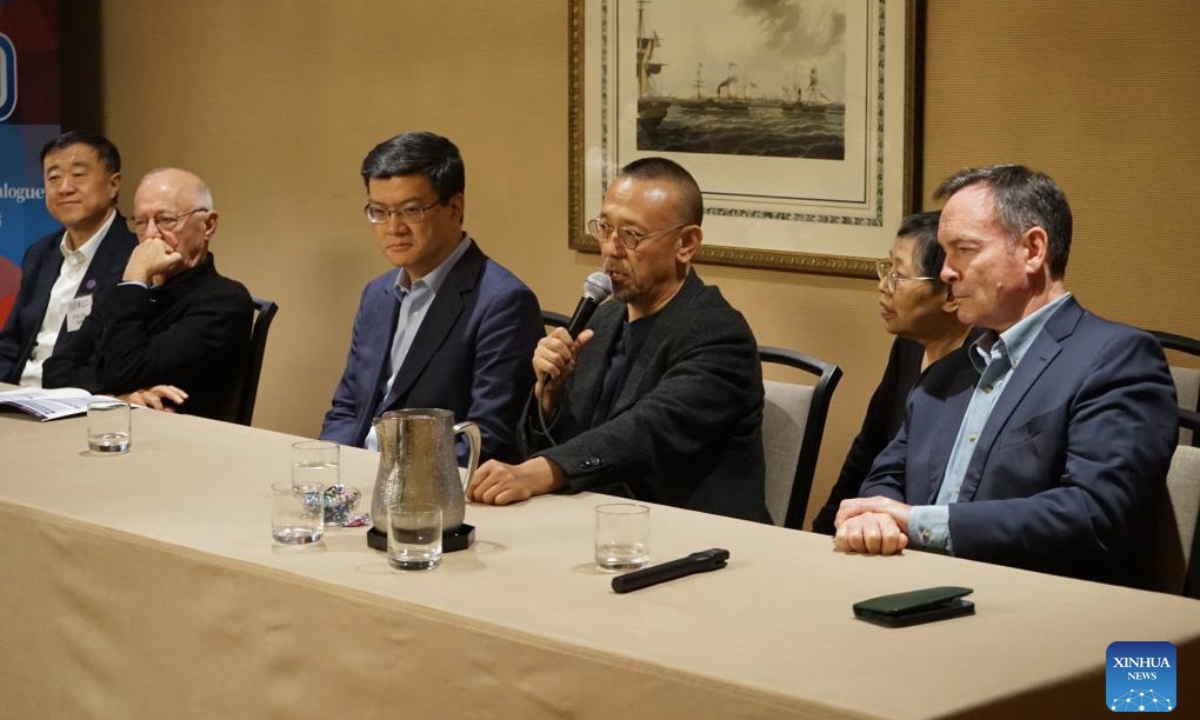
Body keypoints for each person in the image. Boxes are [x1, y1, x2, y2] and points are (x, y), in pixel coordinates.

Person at [834, 164, 1176, 586]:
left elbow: (1097, 513)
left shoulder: (1116, 358)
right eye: (944, 252)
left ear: (1033, 250)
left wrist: (916, 522)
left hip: (1045, 608)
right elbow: (888, 473)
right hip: (911, 587)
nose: (946, 272)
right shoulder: (948, 371)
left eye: (964, 250)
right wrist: (873, 516)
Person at [467, 157, 769, 522]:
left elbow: (646, 432)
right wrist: (549, 397)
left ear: (686, 243)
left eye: (631, 235)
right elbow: (551, 446)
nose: (611, 248)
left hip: (690, 539)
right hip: (591, 523)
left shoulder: (719, 336)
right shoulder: (603, 317)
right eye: (605, 228)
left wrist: (539, 472)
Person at [320, 132, 542, 462]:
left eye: (410, 210)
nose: (393, 228)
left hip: (429, 495)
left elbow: (487, 440)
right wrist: (329, 471)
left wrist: (390, 482)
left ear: (454, 208)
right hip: (358, 484)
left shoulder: (504, 302)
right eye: (379, 211)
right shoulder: (376, 295)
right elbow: (349, 408)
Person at [44, 168, 254, 420]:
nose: (151, 235)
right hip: (111, 429)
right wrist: (114, 398)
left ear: (208, 225)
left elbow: (125, 371)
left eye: (166, 220)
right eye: (141, 222)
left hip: (183, 443)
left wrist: (135, 279)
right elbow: (55, 371)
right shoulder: (126, 293)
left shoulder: (224, 301)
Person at [811, 211, 974, 534]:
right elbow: (869, 446)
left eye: (898, 276)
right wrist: (824, 528)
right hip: (878, 525)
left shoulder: (982, 363)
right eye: (887, 269)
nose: (883, 286)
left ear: (950, 293)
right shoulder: (909, 345)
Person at [0, 131, 137, 386]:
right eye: (53, 177)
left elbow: (119, 355)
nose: (64, 188)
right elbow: (12, 341)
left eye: (78, 175)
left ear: (113, 184)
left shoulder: (134, 255)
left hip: (78, 400)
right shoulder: (40, 253)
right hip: (18, 397)